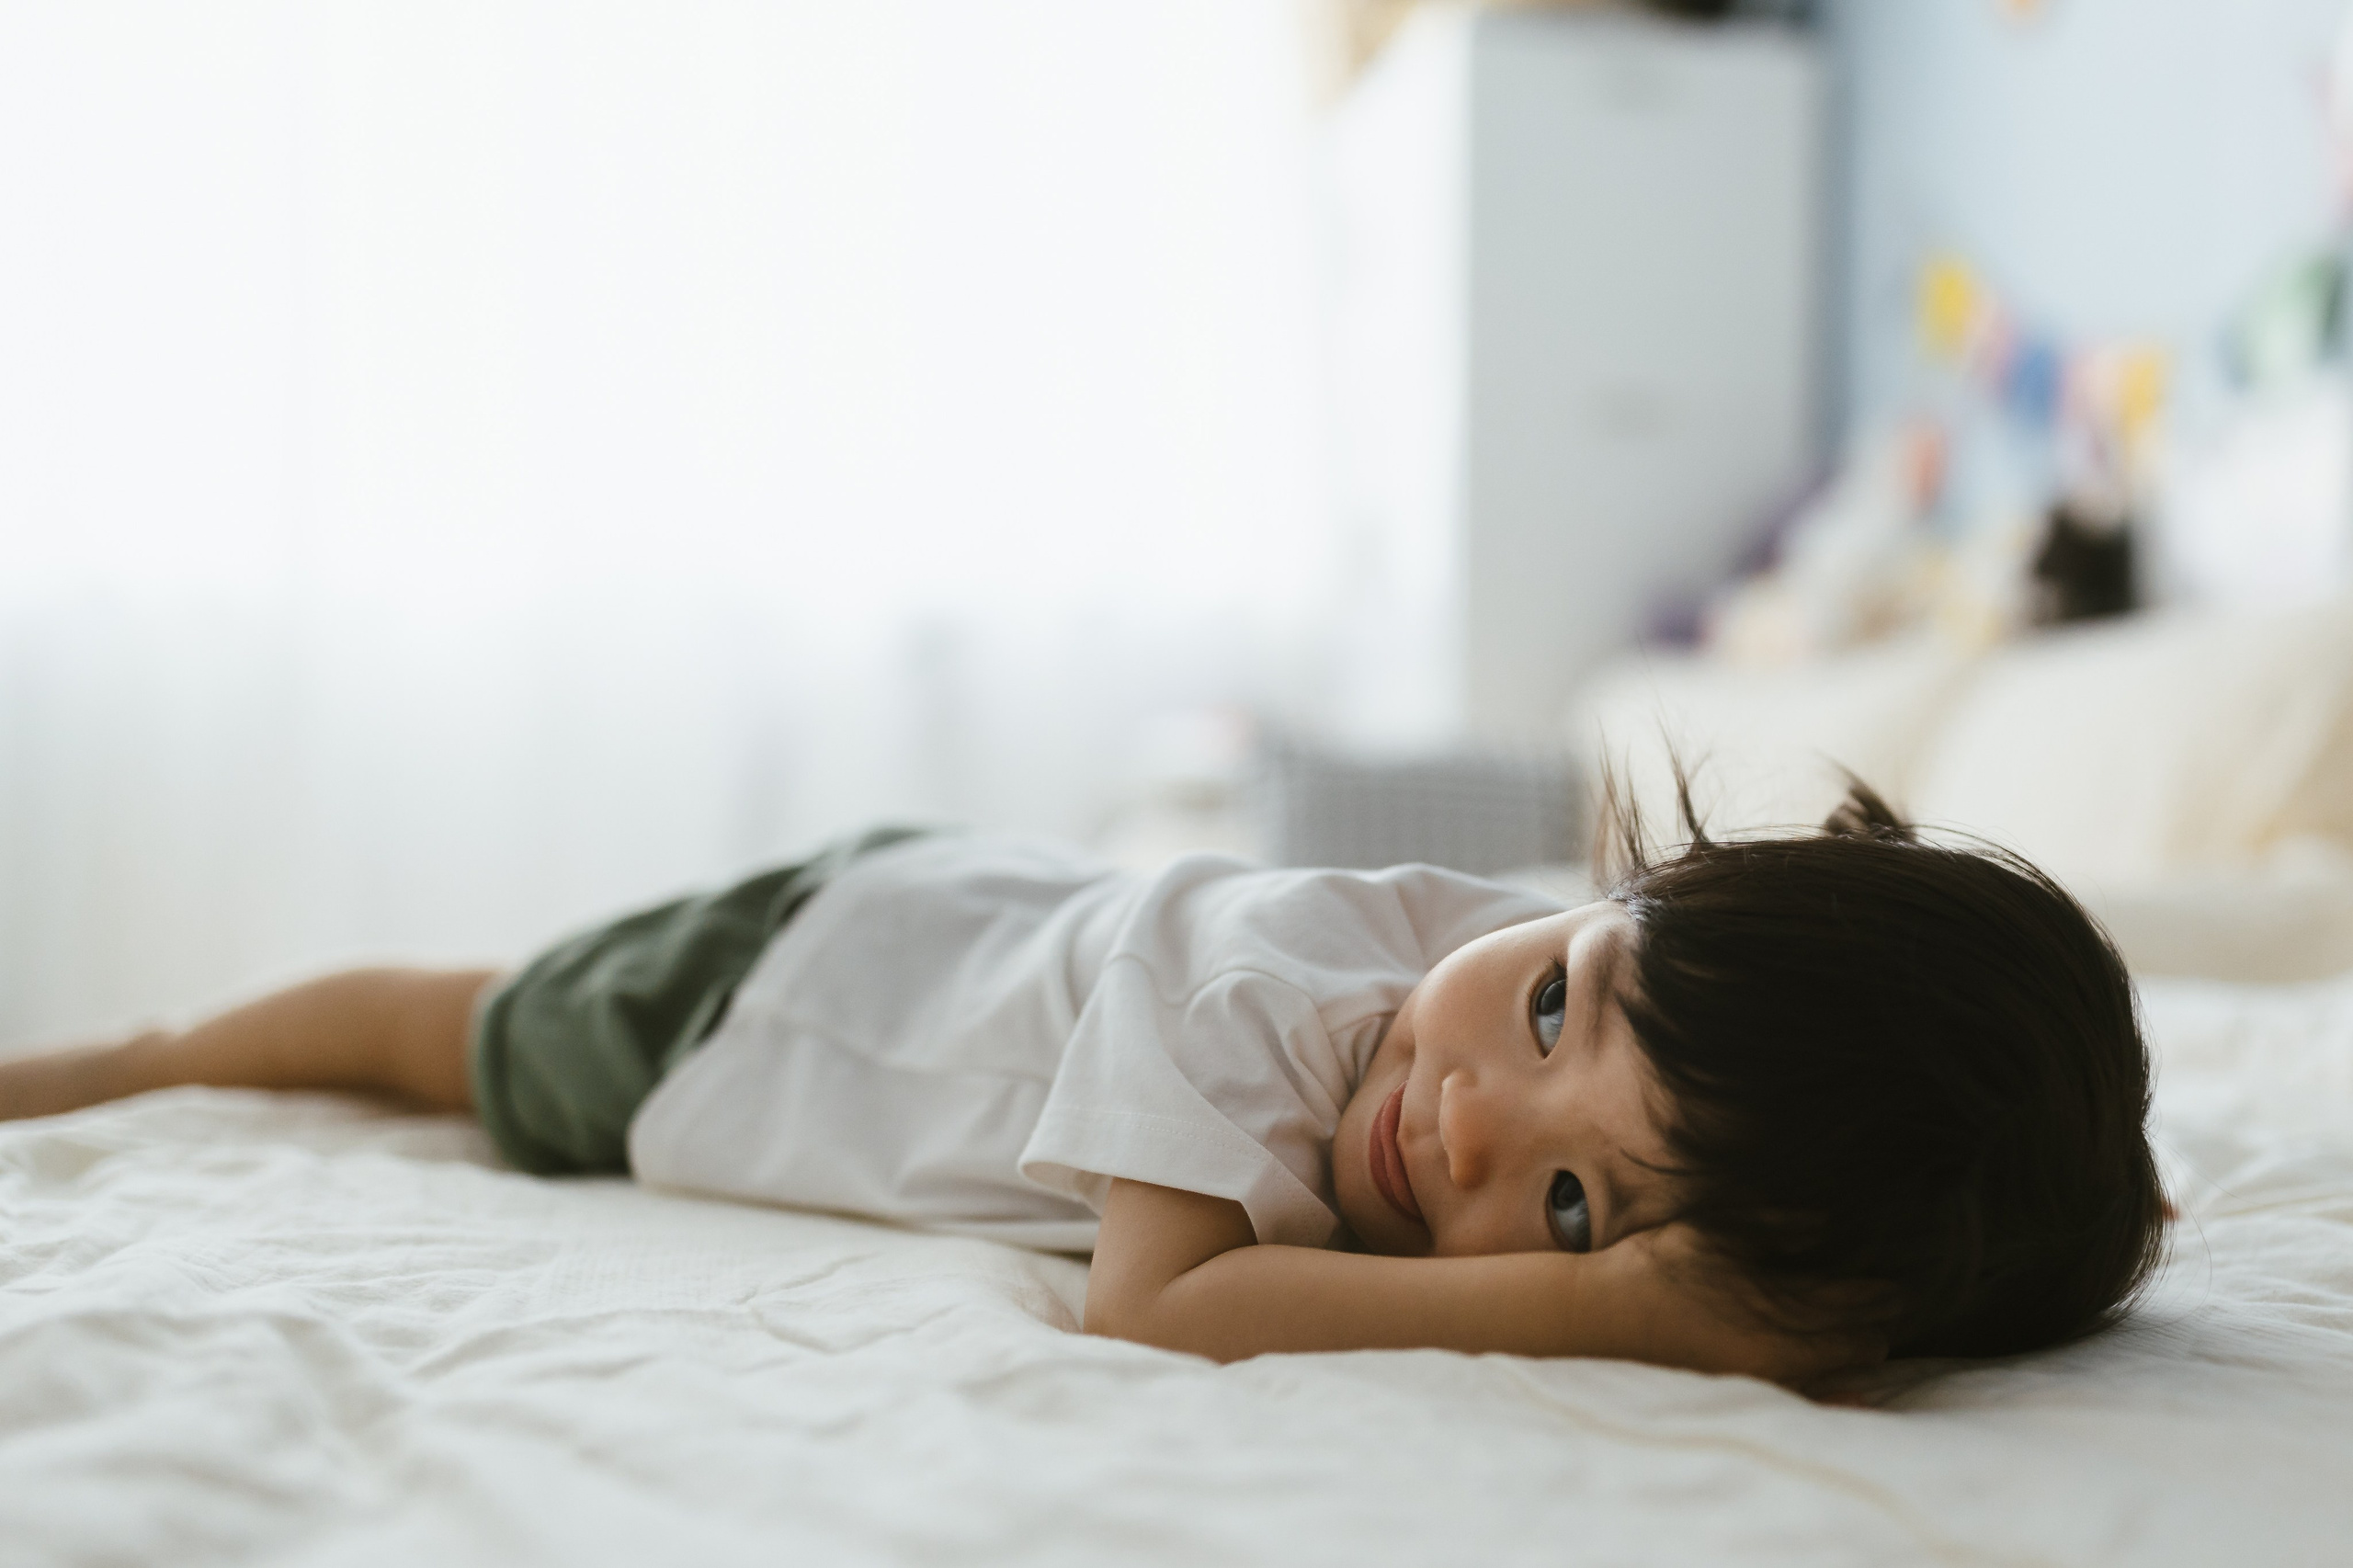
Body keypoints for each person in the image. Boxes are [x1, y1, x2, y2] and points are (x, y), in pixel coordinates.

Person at [0, 781, 2166, 1387]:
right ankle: (146, 1049)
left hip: (954, 929)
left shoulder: (1539, 1051)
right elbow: (1162, 1305)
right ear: (1634, 884)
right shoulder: (1268, 966)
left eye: (1578, 1203)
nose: (1475, 1130)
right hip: (781, 993)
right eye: (1549, 1007)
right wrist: (1609, 1298)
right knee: (457, 1038)